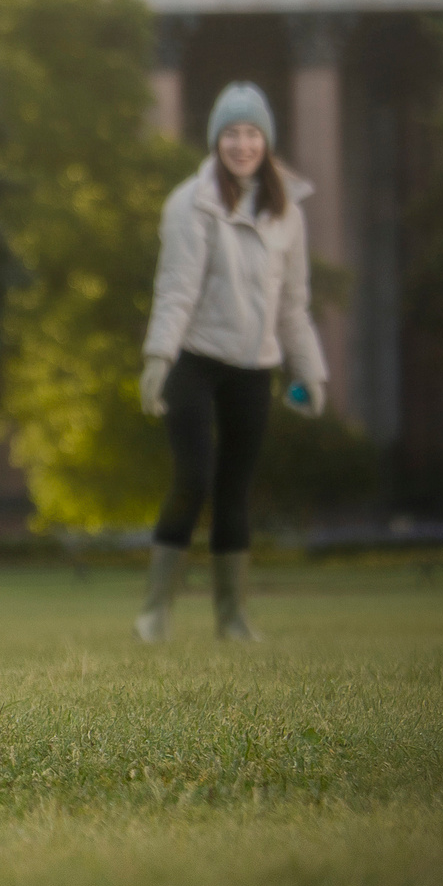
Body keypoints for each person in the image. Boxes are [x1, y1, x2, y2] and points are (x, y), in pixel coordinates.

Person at [135, 82, 328, 642]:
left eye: (252, 134)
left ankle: (232, 618)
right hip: (194, 360)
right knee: (193, 479)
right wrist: (157, 357)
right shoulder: (189, 203)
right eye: (232, 133)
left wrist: (309, 371)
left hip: (253, 367)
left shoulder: (287, 211)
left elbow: (293, 305)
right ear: (216, 139)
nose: (242, 144)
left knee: (235, 490)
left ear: (267, 142)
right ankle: (155, 611)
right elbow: (175, 290)